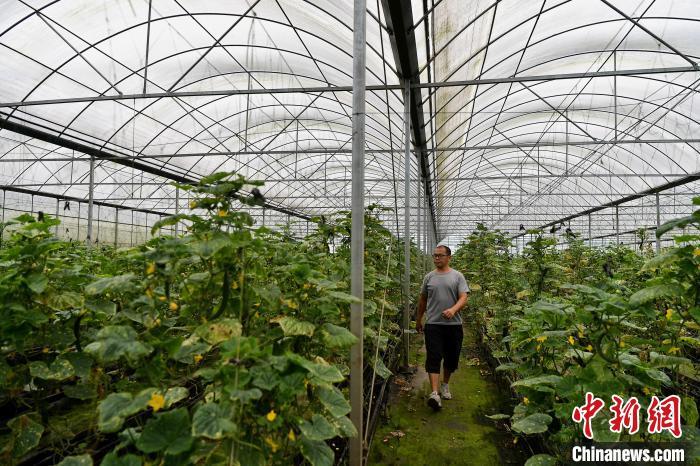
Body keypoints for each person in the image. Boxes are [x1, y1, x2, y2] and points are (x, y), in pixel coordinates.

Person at [416, 245, 469, 411]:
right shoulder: (429, 277)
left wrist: (453, 310)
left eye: (440, 256)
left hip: (454, 326)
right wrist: (419, 319)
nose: (436, 258)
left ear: (449, 257)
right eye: (435, 256)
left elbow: (464, 297)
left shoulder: (457, 276)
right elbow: (423, 300)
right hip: (433, 325)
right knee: (433, 356)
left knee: (451, 358)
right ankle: (434, 393)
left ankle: (445, 384)